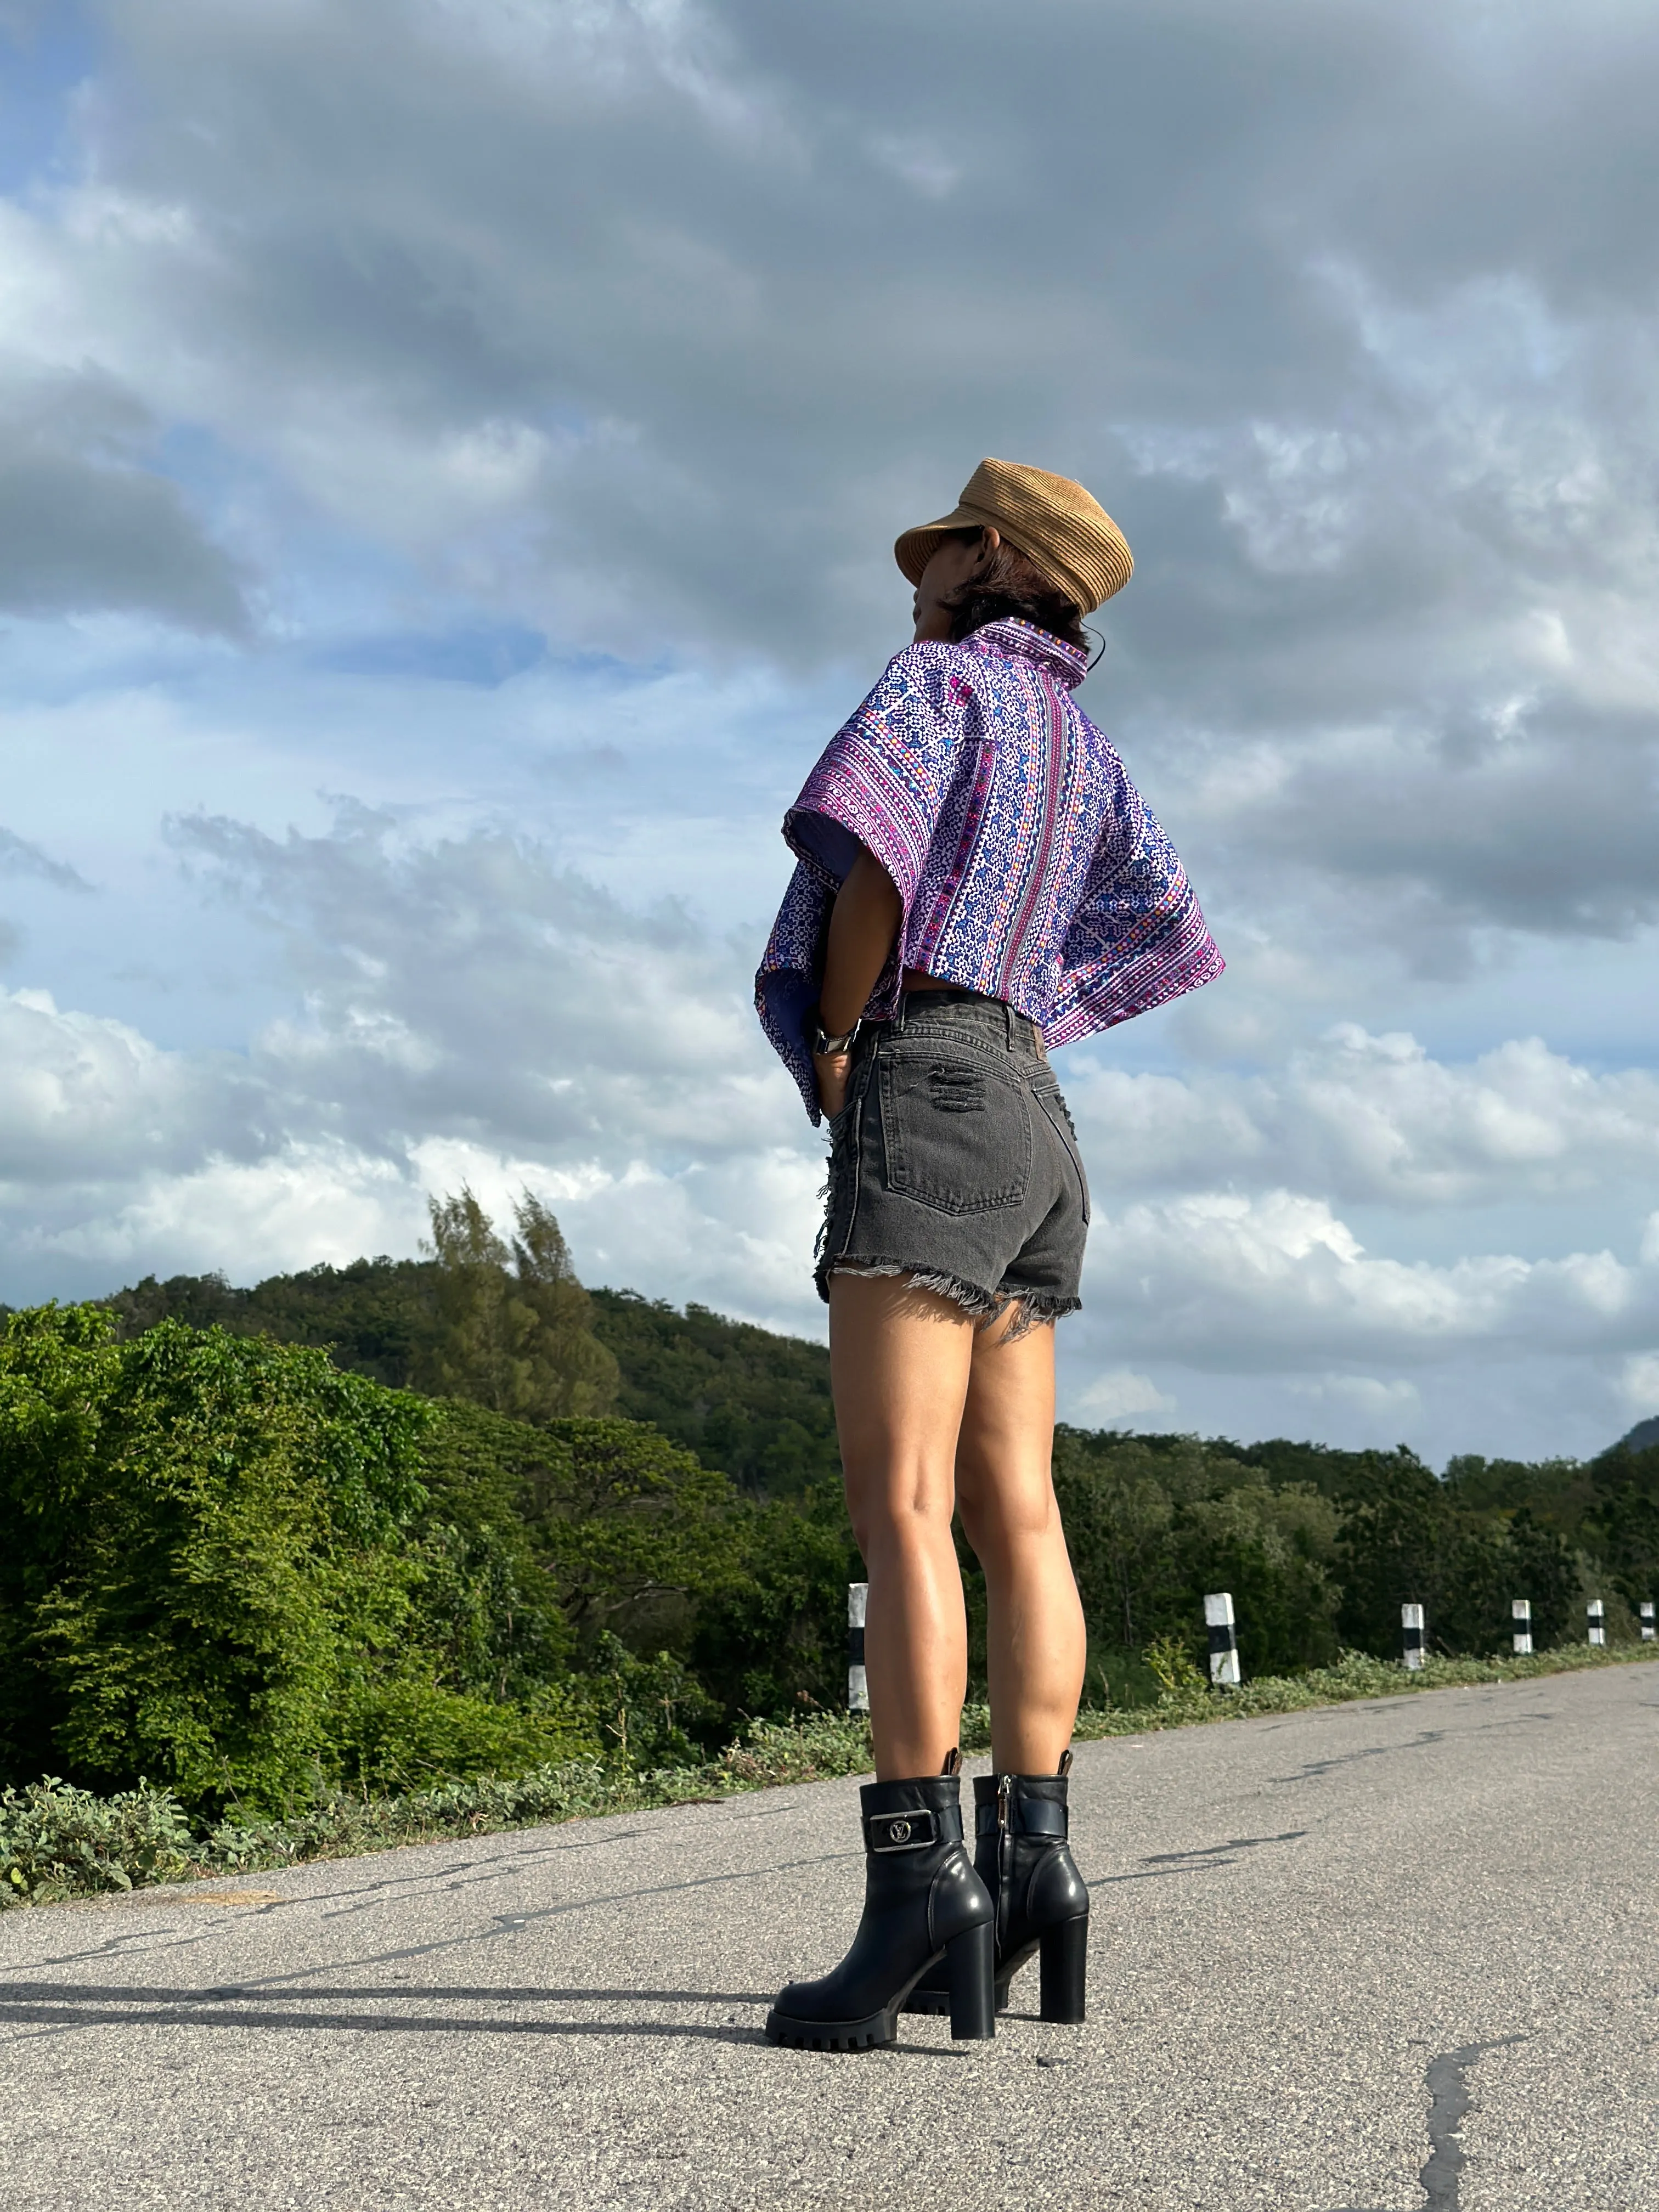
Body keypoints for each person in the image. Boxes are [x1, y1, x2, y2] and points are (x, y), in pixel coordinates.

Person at [754, 458, 1223, 2051]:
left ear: (997, 555)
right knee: (1019, 1506)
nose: (923, 568)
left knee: (898, 1509)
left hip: (933, 1077)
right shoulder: (1085, 744)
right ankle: (1039, 1868)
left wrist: (839, 1038)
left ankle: (912, 1897)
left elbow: (872, 860)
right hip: (1036, 1105)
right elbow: (1153, 914)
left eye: (947, 541)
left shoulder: (939, 684)